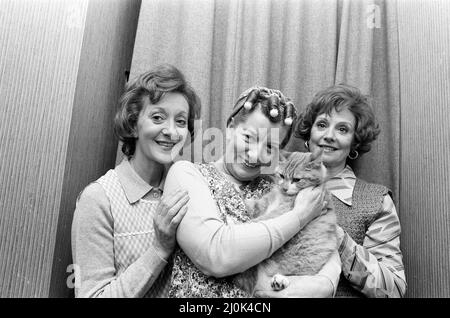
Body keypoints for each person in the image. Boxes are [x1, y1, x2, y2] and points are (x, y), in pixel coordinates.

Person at [164, 86, 341, 298]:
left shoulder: (278, 186)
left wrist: (325, 284)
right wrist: (300, 216)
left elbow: (328, 250)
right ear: (230, 127)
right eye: (248, 137)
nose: (255, 154)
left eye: (269, 147)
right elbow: (216, 256)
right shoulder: (188, 175)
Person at [71, 64, 201, 297]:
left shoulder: (191, 189)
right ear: (133, 124)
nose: (171, 131)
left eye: (181, 122)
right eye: (158, 117)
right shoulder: (98, 200)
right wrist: (159, 249)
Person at [295, 84, 407, 297]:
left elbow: (394, 289)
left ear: (354, 142)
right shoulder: (279, 186)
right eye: (322, 124)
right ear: (309, 134)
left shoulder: (376, 201)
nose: (329, 135)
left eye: (342, 129)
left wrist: (334, 234)